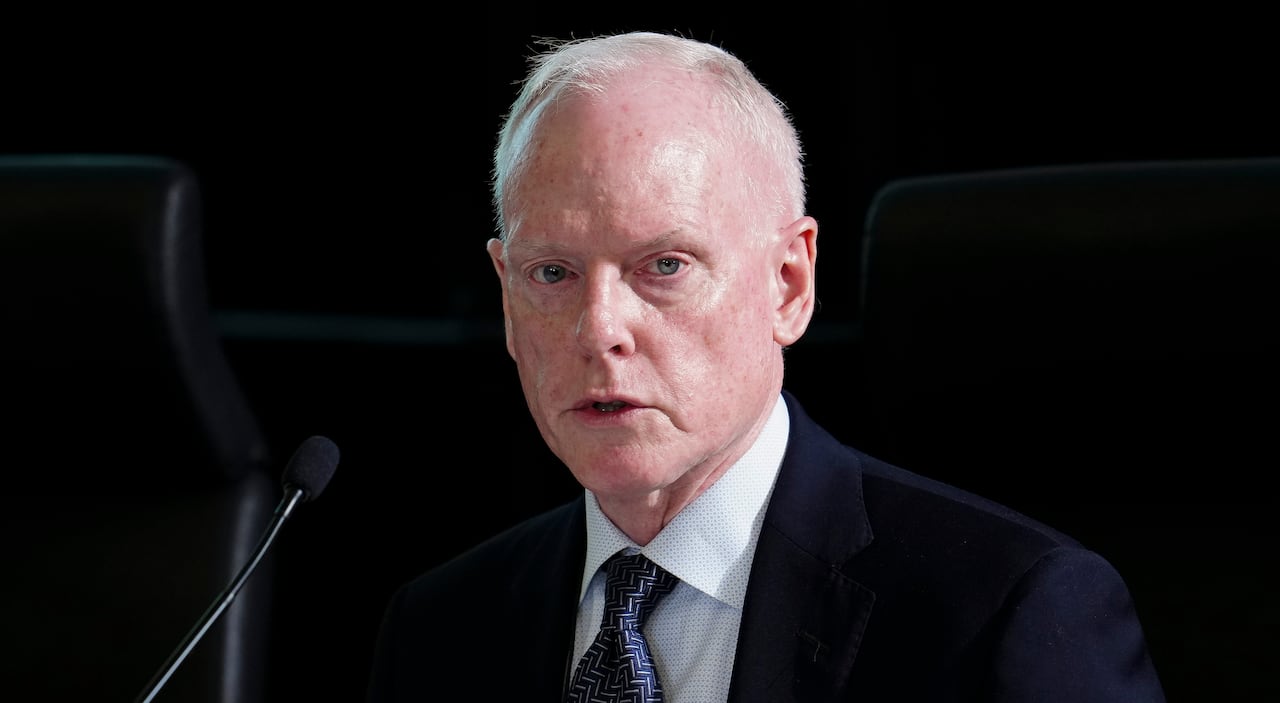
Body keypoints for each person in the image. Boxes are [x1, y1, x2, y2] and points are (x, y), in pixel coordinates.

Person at [367, 31, 1166, 702]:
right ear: (507, 300)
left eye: (665, 265)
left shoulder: (1002, 614)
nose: (599, 329)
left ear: (789, 282)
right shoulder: (440, 629)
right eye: (552, 274)